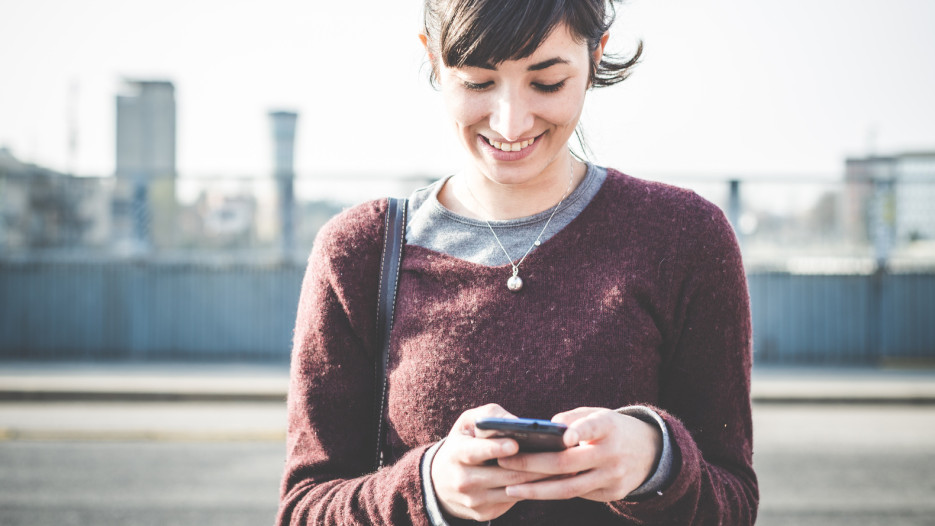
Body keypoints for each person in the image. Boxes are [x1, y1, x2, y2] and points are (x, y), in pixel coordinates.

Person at [277, 0, 758, 524]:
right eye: (478, 83)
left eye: (547, 83)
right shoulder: (358, 253)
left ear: (596, 55)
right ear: (434, 61)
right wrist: (428, 486)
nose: (510, 122)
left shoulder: (685, 238)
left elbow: (733, 503)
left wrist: (657, 462)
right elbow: (305, 508)